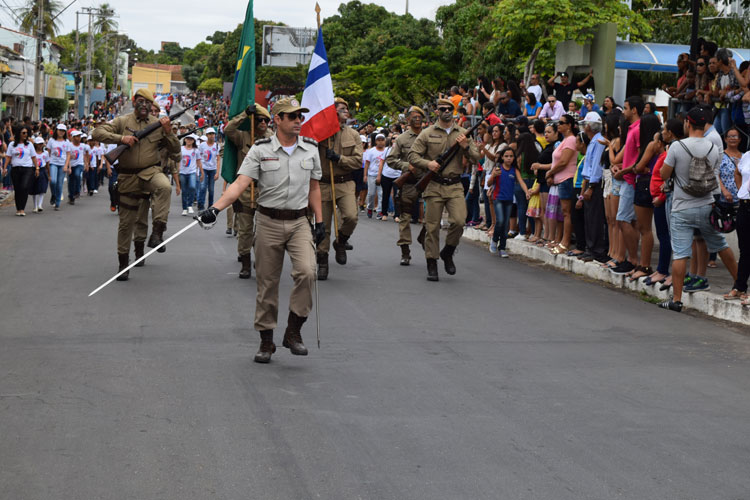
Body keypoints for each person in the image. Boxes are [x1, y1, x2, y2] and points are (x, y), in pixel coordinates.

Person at [194, 97, 324, 364]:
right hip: (268, 222)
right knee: (267, 283)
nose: (299, 120)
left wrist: (320, 222)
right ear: (277, 120)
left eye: (300, 116)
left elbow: (314, 188)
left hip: (300, 222)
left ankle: (293, 331)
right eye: (292, 116)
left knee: (307, 272)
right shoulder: (260, 148)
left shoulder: (311, 148)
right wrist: (215, 209)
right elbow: (240, 183)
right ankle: (266, 341)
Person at [91, 88, 180, 282]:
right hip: (127, 177)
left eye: (148, 103)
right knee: (126, 223)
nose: (144, 105)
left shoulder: (157, 125)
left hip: (150, 173)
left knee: (165, 187)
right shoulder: (122, 121)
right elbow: (97, 132)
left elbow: (175, 151)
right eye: (141, 101)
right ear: (134, 101)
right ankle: (123, 264)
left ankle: (157, 233)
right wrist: (121, 139)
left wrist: (168, 132)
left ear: (152, 106)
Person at [658, 107, 738, 312]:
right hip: (706, 205)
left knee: (681, 254)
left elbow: (664, 174)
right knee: (720, 245)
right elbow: (715, 172)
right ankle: (740, 285)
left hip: (681, 207)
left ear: (687, 123)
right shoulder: (713, 146)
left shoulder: (677, 146)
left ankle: (676, 300)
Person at [408, 98, 481, 281]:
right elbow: (413, 155)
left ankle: (448, 251)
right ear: (437, 111)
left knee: (459, 221)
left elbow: (476, 158)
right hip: (434, 184)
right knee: (432, 227)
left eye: (450, 108)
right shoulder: (427, 133)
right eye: (443, 108)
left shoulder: (463, 133)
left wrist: (465, 147)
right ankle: (431, 262)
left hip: (455, 184)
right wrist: (428, 163)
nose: (447, 111)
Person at [316, 97, 363, 280]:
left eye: (346, 108)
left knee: (351, 216)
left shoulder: (353, 134)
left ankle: (341, 241)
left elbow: (358, 161)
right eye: (341, 108)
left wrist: (339, 159)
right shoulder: (319, 134)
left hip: (344, 182)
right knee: (324, 226)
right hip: (323, 182)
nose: (345, 111)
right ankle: (322, 260)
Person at [225, 103, 274, 279]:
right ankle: (245, 263)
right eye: (259, 119)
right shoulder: (243, 137)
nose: (263, 123)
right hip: (245, 190)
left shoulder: (273, 139)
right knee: (245, 230)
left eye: (266, 120)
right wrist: (244, 115)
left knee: (263, 232)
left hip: (266, 191)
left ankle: (260, 258)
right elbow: (228, 130)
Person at [387, 106, 425, 265]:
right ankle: (405, 251)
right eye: (414, 117)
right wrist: (406, 166)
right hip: (409, 183)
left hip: (430, 182)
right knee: (405, 218)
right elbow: (391, 160)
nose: (417, 119)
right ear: (408, 119)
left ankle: (423, 236)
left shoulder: (429, 136)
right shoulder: (402, 139)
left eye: (420, 116)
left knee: (432, 217)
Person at [545, 114, 579, 254]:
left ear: (569, 125)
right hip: (560, 180)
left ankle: (565, 242)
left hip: (567, 179)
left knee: (566, 213)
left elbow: (564, 162)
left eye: (561, 122)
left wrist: (550, 172)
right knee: (562, 213)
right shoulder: (565, 140)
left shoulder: (571, 140)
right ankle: (560, 239)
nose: (558, 125)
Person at [488, 147, 529, 257]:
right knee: (500, 221)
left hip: (509, 200)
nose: (509, 158)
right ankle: (495, 240)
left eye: (511, 156)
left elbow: (521, 182)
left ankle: (502, 248)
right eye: (506, 156)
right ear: (502, 157)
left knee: (506, 224)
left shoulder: (514, 170)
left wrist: (526, 192)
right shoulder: (498, 168)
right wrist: (493, 176)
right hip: (498, 198)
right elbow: (488, 183)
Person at [579, 112, 608, 262]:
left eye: (585, 124)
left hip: (594, 184)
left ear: (589, 126)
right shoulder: (594, 141)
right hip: (591, 182)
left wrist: (591, 186)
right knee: (589, 218)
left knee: (594, 218)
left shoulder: (598, 142)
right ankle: (591, 248)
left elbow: (597, 165)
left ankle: (595, 250)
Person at [725, 151, 750, 305]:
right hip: (745, 205)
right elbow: (737, 172)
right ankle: (740, 287)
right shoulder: (747, 155)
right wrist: (742, 190)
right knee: (745, 250)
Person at [2, 125, 39, 216]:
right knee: (18, 189)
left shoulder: (29, 144)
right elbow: (8, 157)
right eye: (23, 133)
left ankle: (22, 208)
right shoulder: (12, 145)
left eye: (26, 133)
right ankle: (18, 209)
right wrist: (5, 168)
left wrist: (37, 168)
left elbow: (34, 157)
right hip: (15, 169)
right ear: (18, 133)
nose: (25, 134)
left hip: (27, 169)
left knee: (24, 187)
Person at [179, 134, 203, 216]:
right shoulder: (181, 149)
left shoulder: (195, 150)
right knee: (184, 190)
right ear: (185, 140)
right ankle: (184, 208)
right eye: (188, 139)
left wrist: (202, 172)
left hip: (192, 171)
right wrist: (177, 170)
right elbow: (178, 161)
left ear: (193, 141)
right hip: (182, 172)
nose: (189, 141)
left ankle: (190, 205)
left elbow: (199, 161)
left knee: (193, 187)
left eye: (191, 139)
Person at [46, 124, 70, 210]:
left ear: (65, 132)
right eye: (60, 130)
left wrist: (66, 166)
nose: (61, 132)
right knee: (53, 181)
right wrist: (47, 164)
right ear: (56, 130)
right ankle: (53, 195)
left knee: (60, 184)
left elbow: (68, 155)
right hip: (53, 163)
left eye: (63, 131)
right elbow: (47, 153)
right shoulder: (51, 140)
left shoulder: (66, 142)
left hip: (62, 164)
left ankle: (57, 203)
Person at [197, 127, 221, 210]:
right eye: (210, 134)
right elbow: (198, 158)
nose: (212, 136)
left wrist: (217, 172)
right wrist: (199, 170)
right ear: (207, 135)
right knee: (203, 187)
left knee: (211, 189)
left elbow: (218, 159)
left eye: (213, 134)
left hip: (212, 169)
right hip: (204, 168)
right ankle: (200, 204)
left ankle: (210, 206)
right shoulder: (202, 145)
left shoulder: (216, 145)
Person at [364, 134, 387, 219]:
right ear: (376, 141)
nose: (380, 142)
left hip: (383, 175)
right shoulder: (371, 151)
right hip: (372, 175)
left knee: (381, 193)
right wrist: (365, 175)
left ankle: (379, 211)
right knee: (371, 194)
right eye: (379, 140)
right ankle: (370, 208)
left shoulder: (387, 151)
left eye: (382, 140)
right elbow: (367, 164)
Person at [66, 130, 87, 205]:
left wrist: (86, 164)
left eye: (79, 136)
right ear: (73, 137)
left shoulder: (83, 145)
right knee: (71, 182)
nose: (79, 138)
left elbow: (85, 154)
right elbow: (67, 156)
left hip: (79, 164)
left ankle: (77, 191)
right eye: (77, 136)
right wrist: (68, 166)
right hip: (71, 165)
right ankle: (71, 197)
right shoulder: (69, 145)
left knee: (77, 175)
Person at [30, 136, 50, 213]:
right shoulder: (33, 153)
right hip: (34, 170)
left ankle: (40, 205)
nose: (40, 145)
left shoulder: (46, 153)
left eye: (41, 144)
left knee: (42, 188)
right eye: (38, 144)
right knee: (34, 189)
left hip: (42, 170)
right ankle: (35, 206)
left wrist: (49, 174)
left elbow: (47, 163)